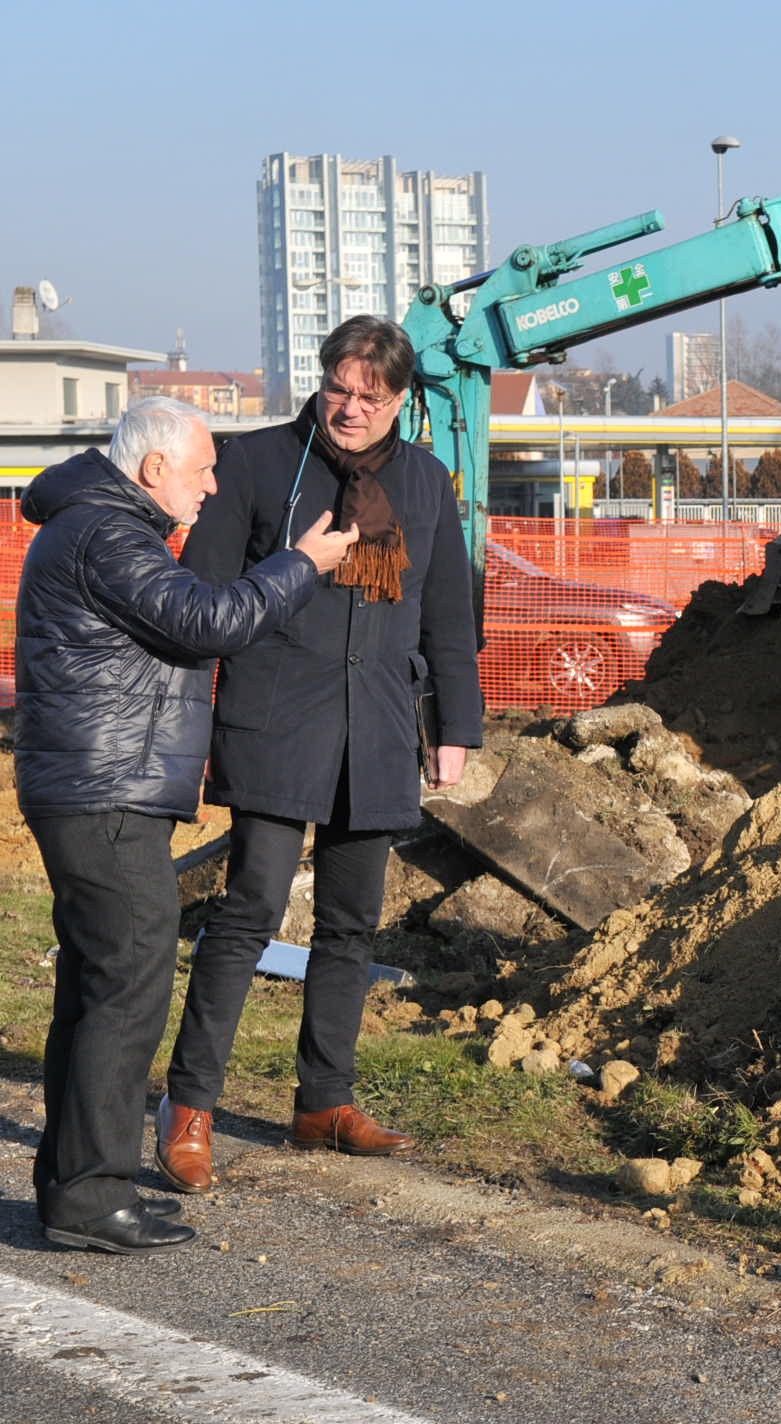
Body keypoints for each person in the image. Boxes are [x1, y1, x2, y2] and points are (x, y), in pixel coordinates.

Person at [18, 397, 356, 1253]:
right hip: (105, 796)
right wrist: (301, 563)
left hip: (101, 790)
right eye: (203, 468)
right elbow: (210, 620)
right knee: (127, 987)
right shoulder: (108, 534)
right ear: (154, 467)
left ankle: (75, 1185)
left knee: (97, 991)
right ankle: (92, 1198)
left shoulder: (97, 525)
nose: (212, 486)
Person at [158, 316, 483, 1193]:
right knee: (248, 913)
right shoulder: (258, 462)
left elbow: (449, 614)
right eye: (337, 389)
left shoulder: (424, 482)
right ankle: (188, 1107)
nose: (348, 408)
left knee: (351, 925)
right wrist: (188, 732)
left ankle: (322, 1102)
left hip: (375, 728)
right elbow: (205, 603)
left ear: (400, 401)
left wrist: (456, 728)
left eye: (369, 397)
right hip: (276, 721)